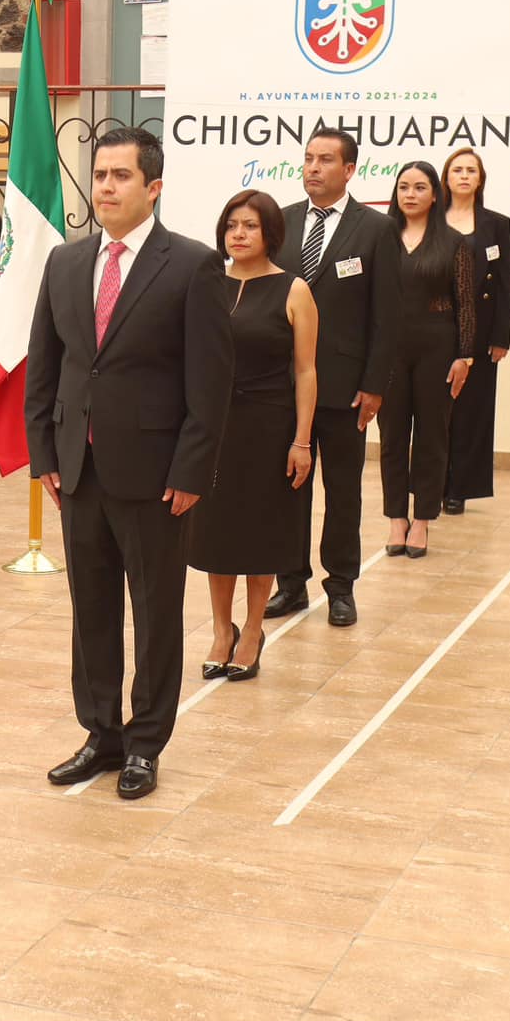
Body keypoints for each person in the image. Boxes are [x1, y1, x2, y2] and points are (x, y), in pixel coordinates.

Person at [26, 126, 232, 801]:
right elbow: (46, 368)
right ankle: (101, 734)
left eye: (121, 176)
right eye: (101, 174)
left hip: (154, 475)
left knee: (154, 611)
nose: (107, 186)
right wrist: (44, 455)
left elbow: (210, 382)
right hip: (77, 470)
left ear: (154, 186)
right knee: (91, 611)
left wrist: (192, 471)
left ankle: (146, 743)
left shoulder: (192, 265)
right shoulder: (65, 263)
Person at [264, 127, 401, 628]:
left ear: (349, 170)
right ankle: (290, 583)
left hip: (345, 387)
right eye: (308, 159)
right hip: (282, 386)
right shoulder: (280, 221)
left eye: (325, 160)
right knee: (287, 488)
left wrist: (376, 384)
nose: (313, 168)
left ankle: (340, 586)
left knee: (343, 492)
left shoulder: (375, 228)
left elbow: (387, 315)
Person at [186, 189, 317, 683]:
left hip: (269, 426)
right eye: (232, 225)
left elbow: (306, 371)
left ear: (270, 235)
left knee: (261, 535)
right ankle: (222, 630)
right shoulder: (206, 283)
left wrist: (301, 440)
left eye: (250, 226)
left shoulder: (294, 290)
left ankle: (254, 629)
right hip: (213, 427)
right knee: (216, 534)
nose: (239, 234)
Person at [380, 161, 476, 559]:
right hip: (388, 351)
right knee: (392, 437)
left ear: (435, 194)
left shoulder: (453, 242)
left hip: (438, 347)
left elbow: (466, 304)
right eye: (404, 187)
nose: (410, 194)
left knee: (432, 436)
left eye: (420, 187)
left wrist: (464, 357)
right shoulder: (381, 237)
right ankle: (395, 519)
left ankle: (422, 520)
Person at [441, 147, 510, 515]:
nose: (465, 175)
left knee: (472, 412)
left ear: (480, 178)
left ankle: (460, 487)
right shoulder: (429, 219)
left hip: (482, 333)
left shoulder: (496, 224)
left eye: (472, 170)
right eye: (458, 170)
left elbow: (505, 282)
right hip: (435, 329)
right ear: (447, 177)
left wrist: (501, 336)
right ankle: (431, 484)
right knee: (435, 412)